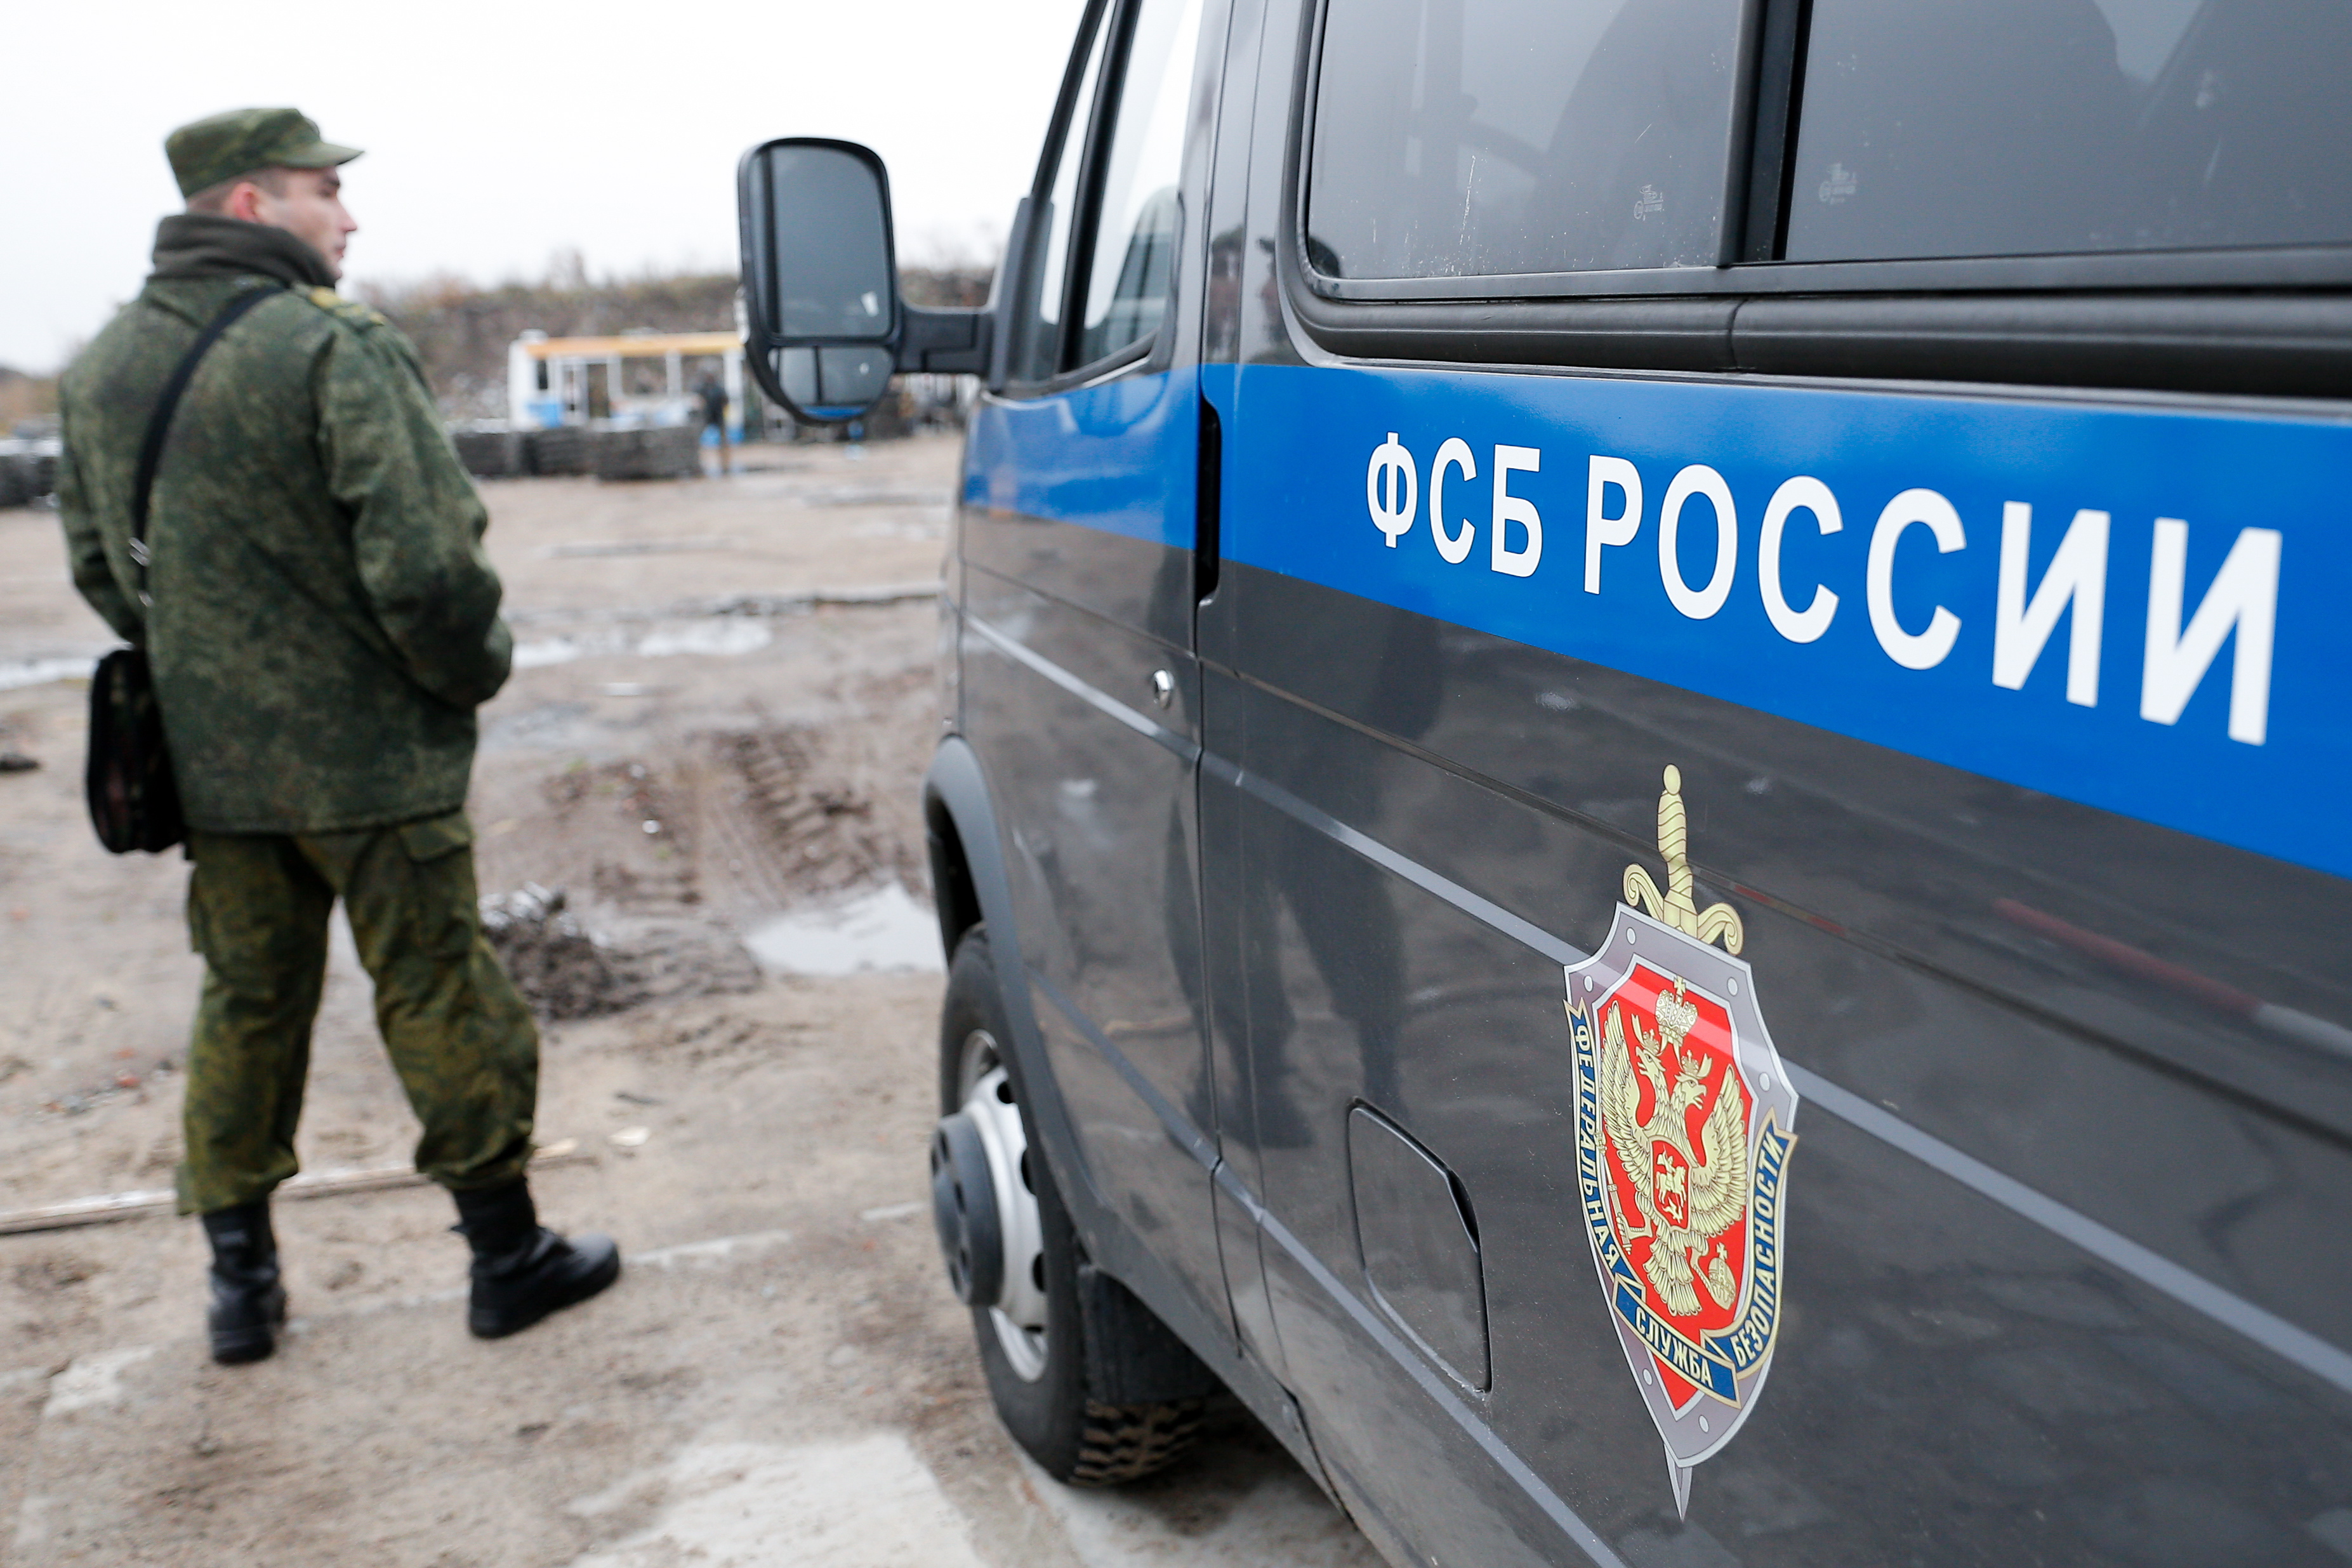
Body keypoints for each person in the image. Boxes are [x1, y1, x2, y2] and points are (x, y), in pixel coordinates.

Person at [55, 108, 619, 1366]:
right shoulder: (331, 344)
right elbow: (428, 566)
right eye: (325, 191)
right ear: (251, 205)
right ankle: (505, 1257)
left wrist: (211, 670)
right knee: (437, 987)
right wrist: (462, 678)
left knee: (247, 1003)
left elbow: (102, 568)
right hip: (374, 763)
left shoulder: (101, 372)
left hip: (217, 772)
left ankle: (240, 1289)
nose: (349, 217)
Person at [697, 370, 731, 474]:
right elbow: (699, 400)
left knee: (723, 439)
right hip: (707, 416)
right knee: (699, 436)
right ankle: (700, 457)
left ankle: (725, 460)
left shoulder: (719, 389)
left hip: (718, 415)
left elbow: (726, 400)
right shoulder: (703, 389)